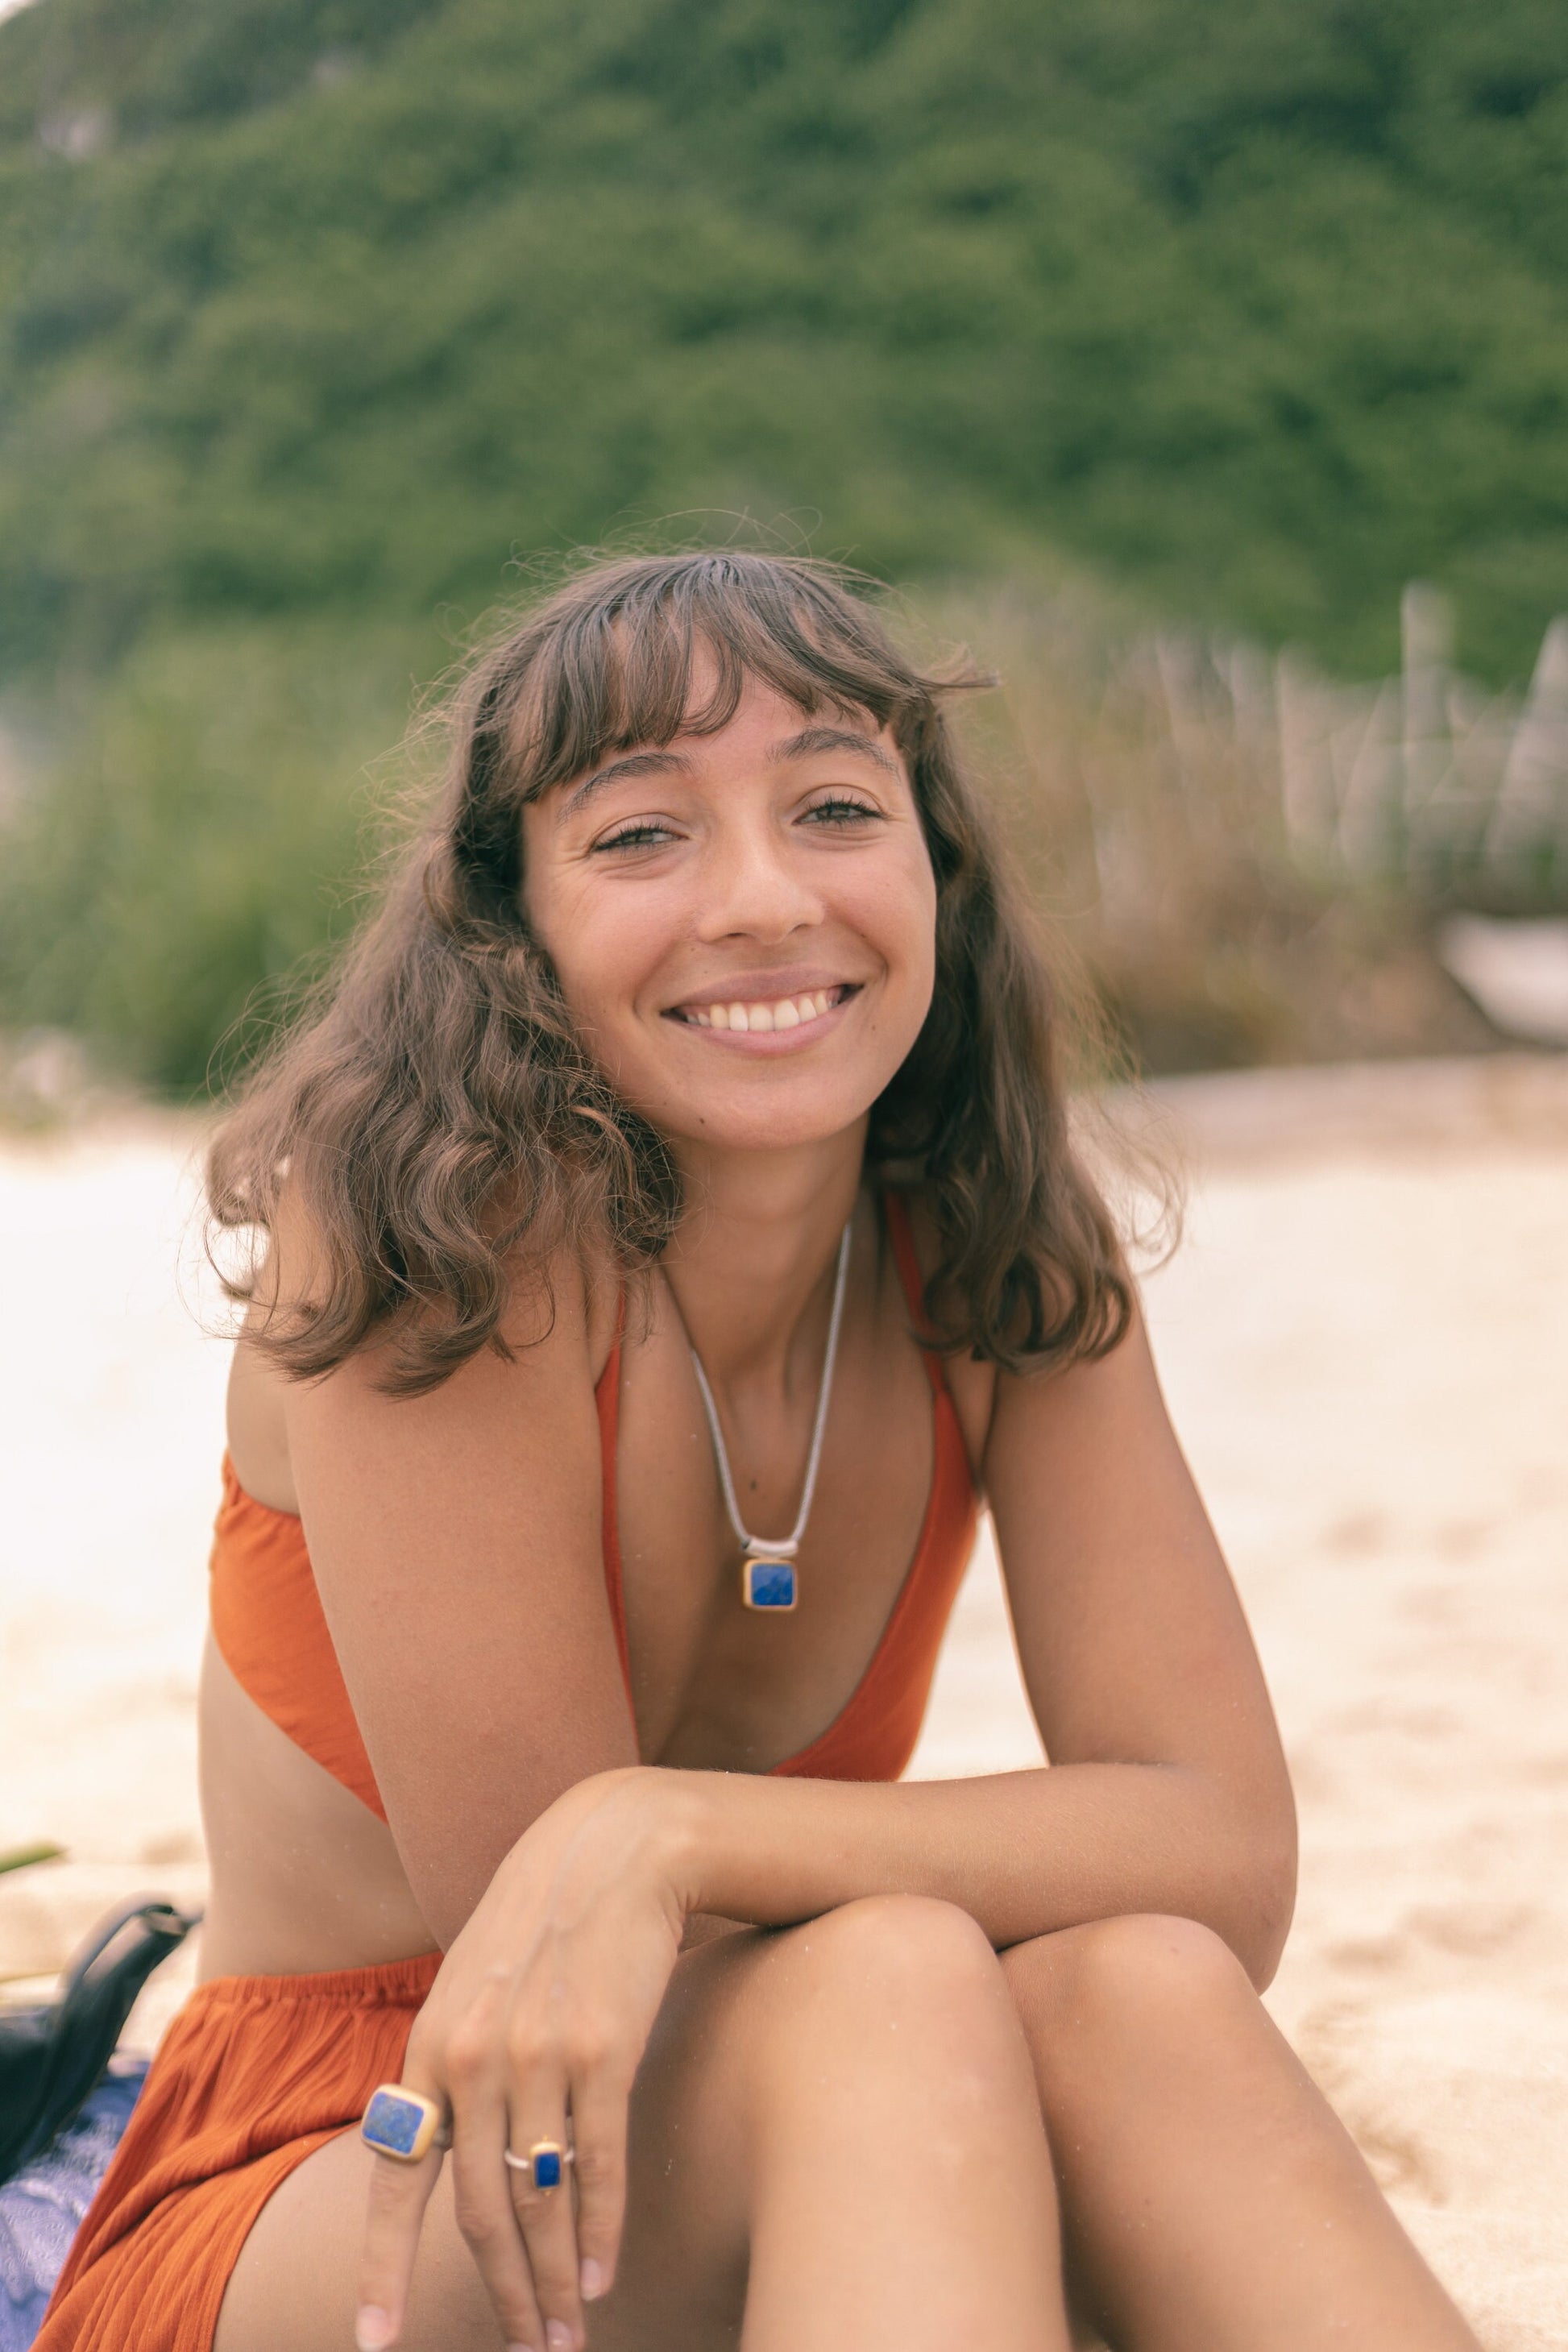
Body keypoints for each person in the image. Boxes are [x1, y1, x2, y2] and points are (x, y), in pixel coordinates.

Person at [38, 552, 1481, 2352]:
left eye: (832, 806)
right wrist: (646, 1859)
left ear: (932, 871)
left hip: (828, 2097)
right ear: (516, 923)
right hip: (347, 2158)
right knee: (887, 1973)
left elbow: (1218, 1854)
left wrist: (665, 1826)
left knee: (1143, 1989)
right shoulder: (431, 1227)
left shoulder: (989, 1242)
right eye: (643, 835)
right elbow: (548, 1937)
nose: (762, 897)